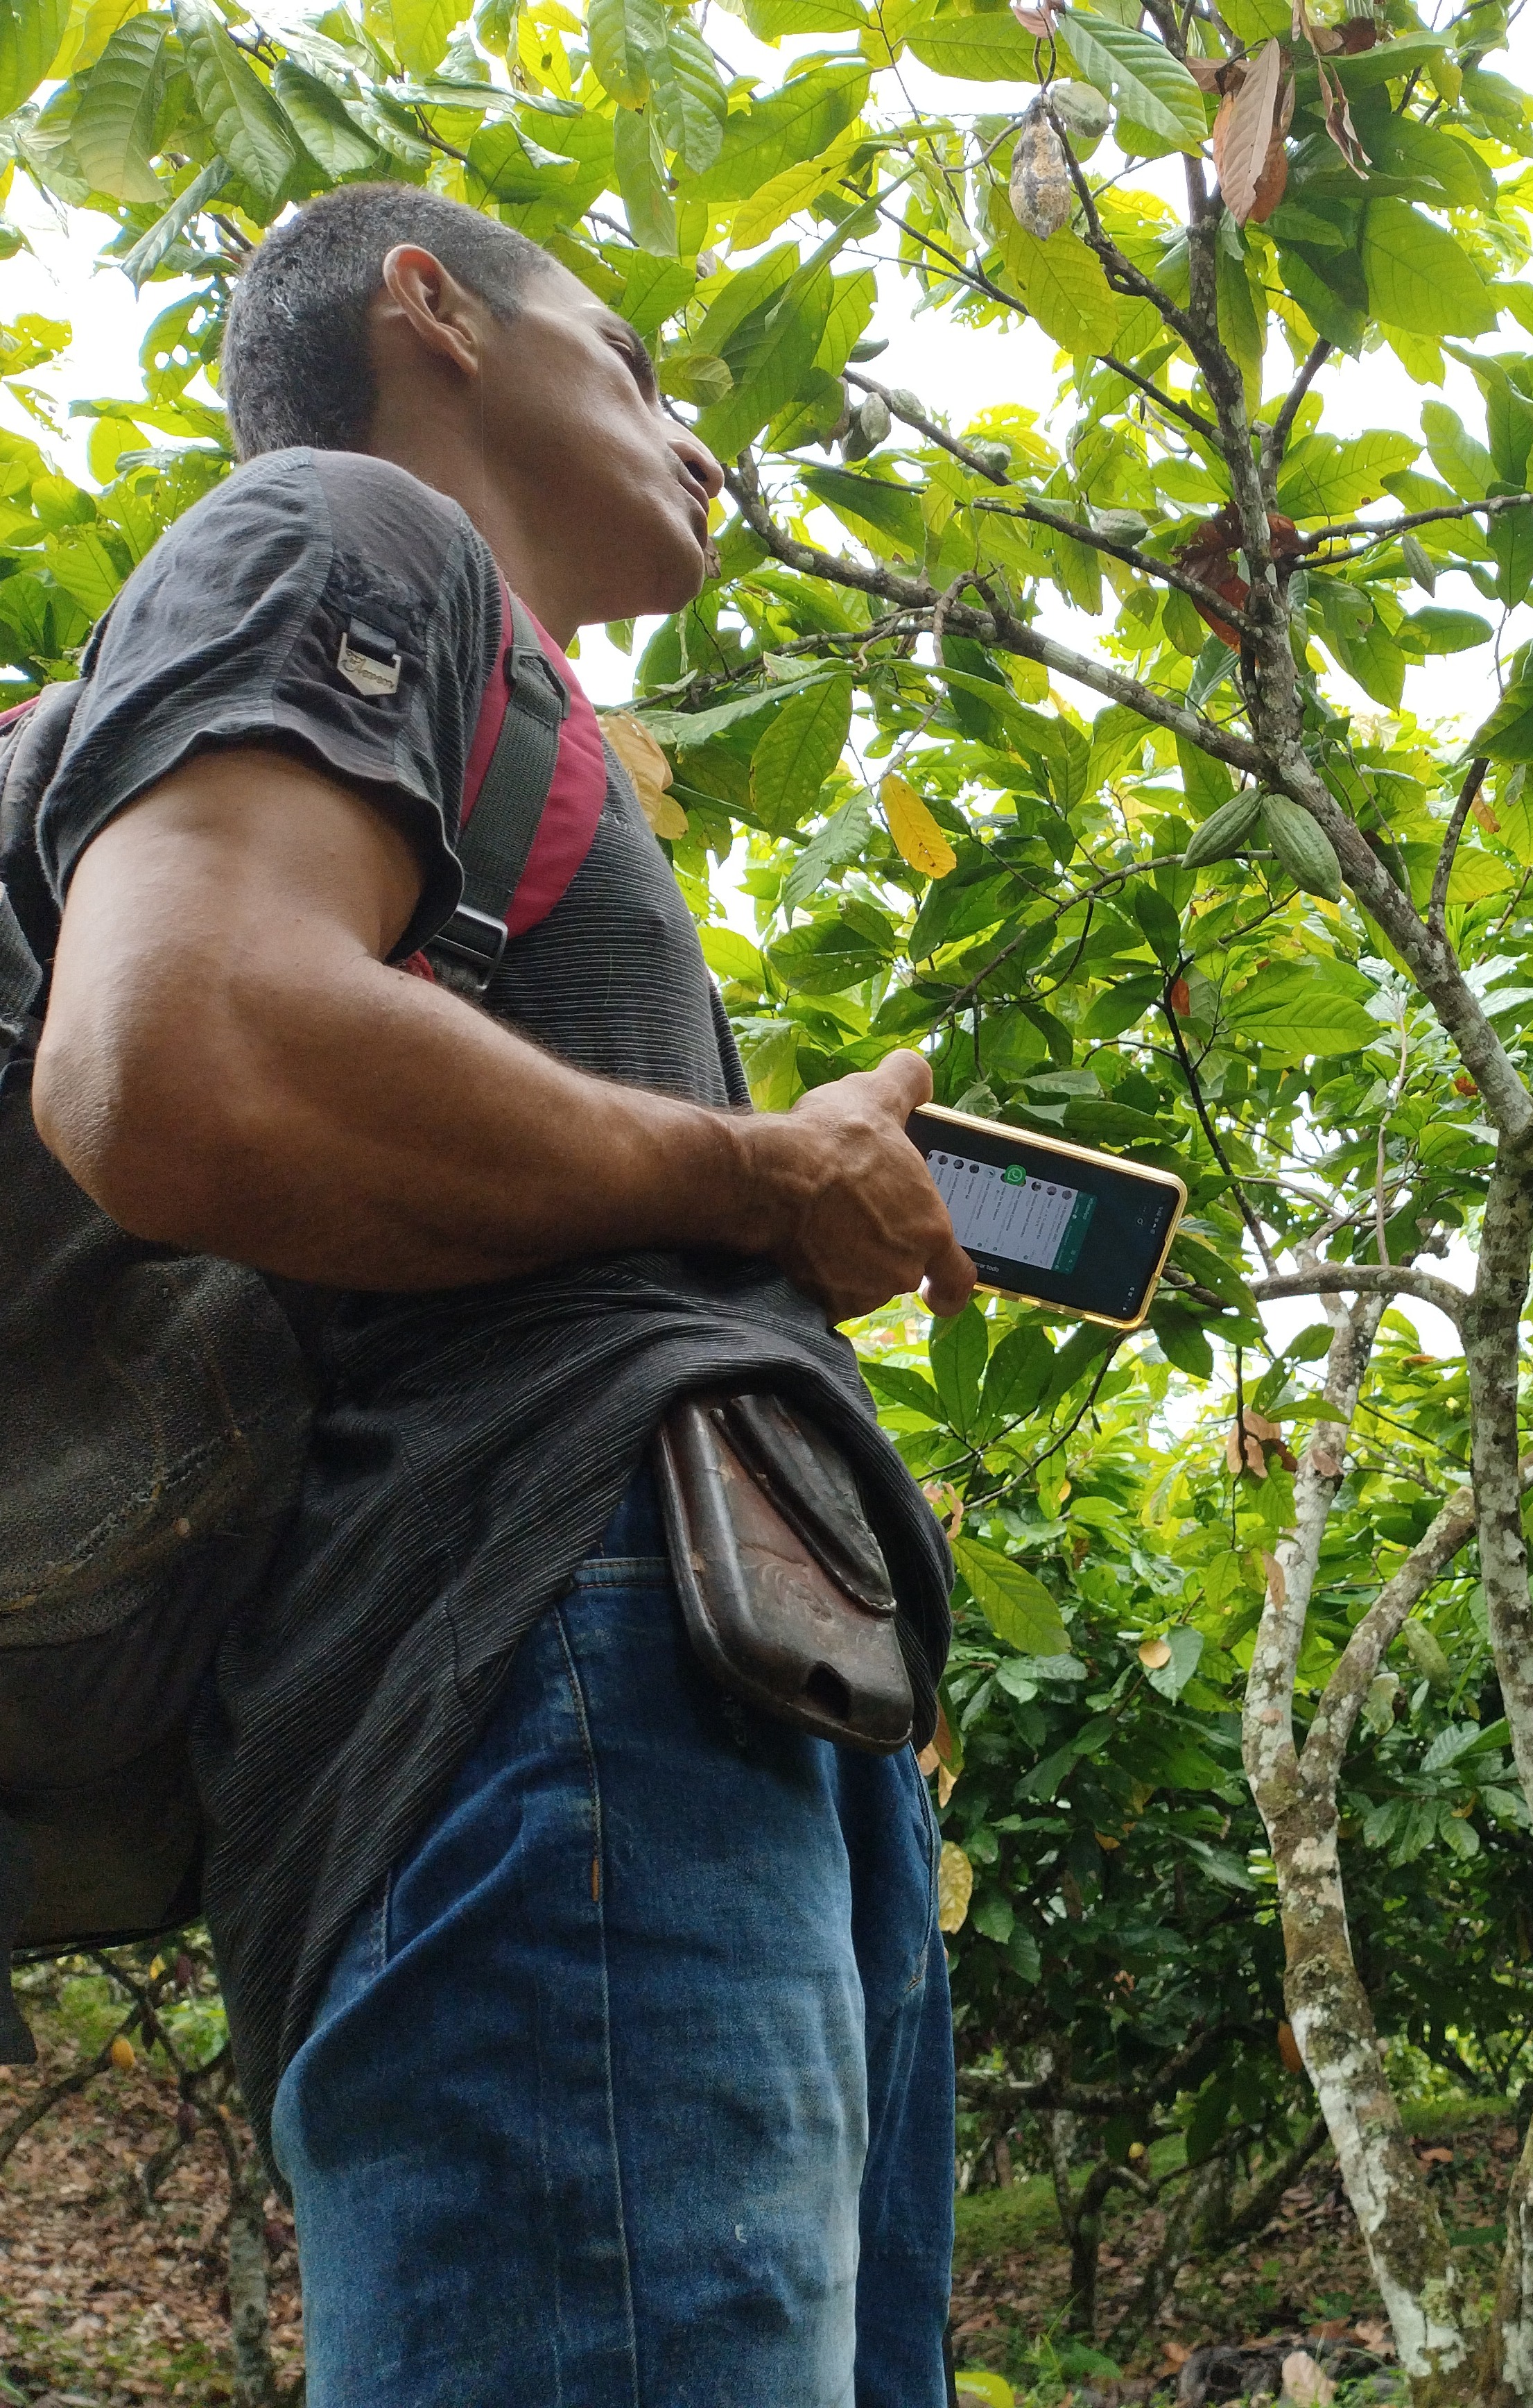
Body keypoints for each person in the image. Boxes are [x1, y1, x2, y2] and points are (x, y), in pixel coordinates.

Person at [19, 184, 976, 2403]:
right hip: (545, 1647)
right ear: (429, 312)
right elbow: (181, 1049)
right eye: (638, 361)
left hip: (714, 1670)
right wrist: (754, 1169)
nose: (699, 436)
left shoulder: (503, 700)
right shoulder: (340, 527)